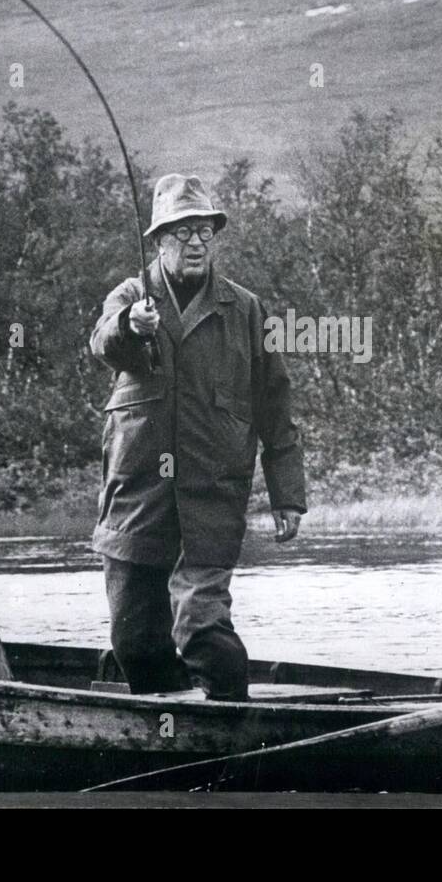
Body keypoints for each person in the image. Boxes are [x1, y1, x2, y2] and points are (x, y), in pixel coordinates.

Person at [90, 172, 306, 700]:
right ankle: (164, 737)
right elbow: (103, 343)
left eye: (204, 231)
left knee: (203, 630)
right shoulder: (131, 297)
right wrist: (130, 326)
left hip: (213, 499)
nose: (195, 243)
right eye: (182, 232)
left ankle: (237, 738)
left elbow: (275, 404)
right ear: (159, 241)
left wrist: (287, 496)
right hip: (137, 498)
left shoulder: (246, 309)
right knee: (136, 639)